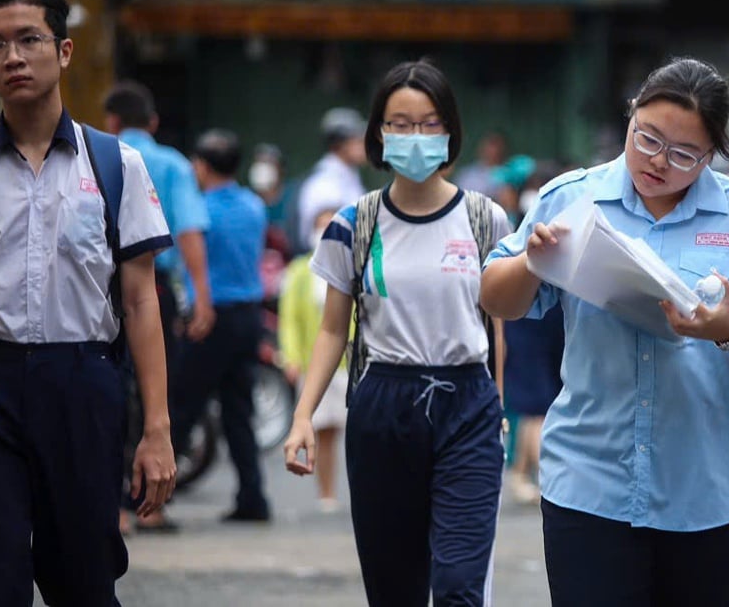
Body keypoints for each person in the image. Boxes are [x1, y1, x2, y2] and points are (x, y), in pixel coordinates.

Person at [482, 57, 729, 607]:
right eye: (647, 138)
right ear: (631, 116)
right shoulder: (571, 196)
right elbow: (497, 298)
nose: (659, 162)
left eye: (684, 154)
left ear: (712, 154)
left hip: (705, 488)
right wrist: (531, 263)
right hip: (589, 481)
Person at [0, 0, 177, 603]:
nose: (13, 57)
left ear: (64, 51)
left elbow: (139, 301)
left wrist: (156, 429)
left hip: (82, 383)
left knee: (80, 575)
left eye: (28, 39)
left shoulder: (115, 164)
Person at [282, 59, 510, 606]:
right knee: (393, 589)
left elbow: (498, 326)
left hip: (468, 404)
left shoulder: (485, 220)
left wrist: (498, 406)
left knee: (459, 586)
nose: (415, 137)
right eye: (400, 124)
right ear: (378, 134)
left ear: (450, 131)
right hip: (382, 403)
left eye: (429, 123)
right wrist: (302, 416)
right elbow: (334, 331)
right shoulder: (351, 225)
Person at [103, 79, 215, 534]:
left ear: (111, 121)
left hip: (102, 288)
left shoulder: (96, 156)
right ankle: (149, 505)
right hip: (155, 291)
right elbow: (188, 232)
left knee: (109, 390)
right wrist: (202, 294)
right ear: (152, 122)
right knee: (152, 390)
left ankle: (114, 508)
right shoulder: (172, 163)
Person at [170, 128, 272, 522]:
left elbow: (188, 262)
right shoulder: (253, 206)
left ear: (201, 165)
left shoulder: (199, 211)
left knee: (182, 404)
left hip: (210, 318)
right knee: (238, 412)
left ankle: (147, 498)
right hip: (249, 315)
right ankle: (253, 498)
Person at [279, 206, 352, 512]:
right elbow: (290, 318)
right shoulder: (298, 271)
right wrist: (291, 357)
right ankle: (326, 491)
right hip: (315, 364)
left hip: (349, 364)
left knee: (347, 431)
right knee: (321, 430)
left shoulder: (352, 263)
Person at [503, 303, 565, 504]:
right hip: (528, 318)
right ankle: (538, 476)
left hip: (554, 319)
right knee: (537, 406)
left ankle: (522, 472)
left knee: (541, 405)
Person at [296, 106, 367, 253]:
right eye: (357, 139)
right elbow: (328, 244)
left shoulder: (348, 177)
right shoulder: (325, 182)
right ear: (341, 144)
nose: (363, 144)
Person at [453, 130, 508, 198]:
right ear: (481, 147)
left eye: (497, 145)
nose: (493, 150)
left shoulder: (509, 175)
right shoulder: (466, 174)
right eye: (491, 144)